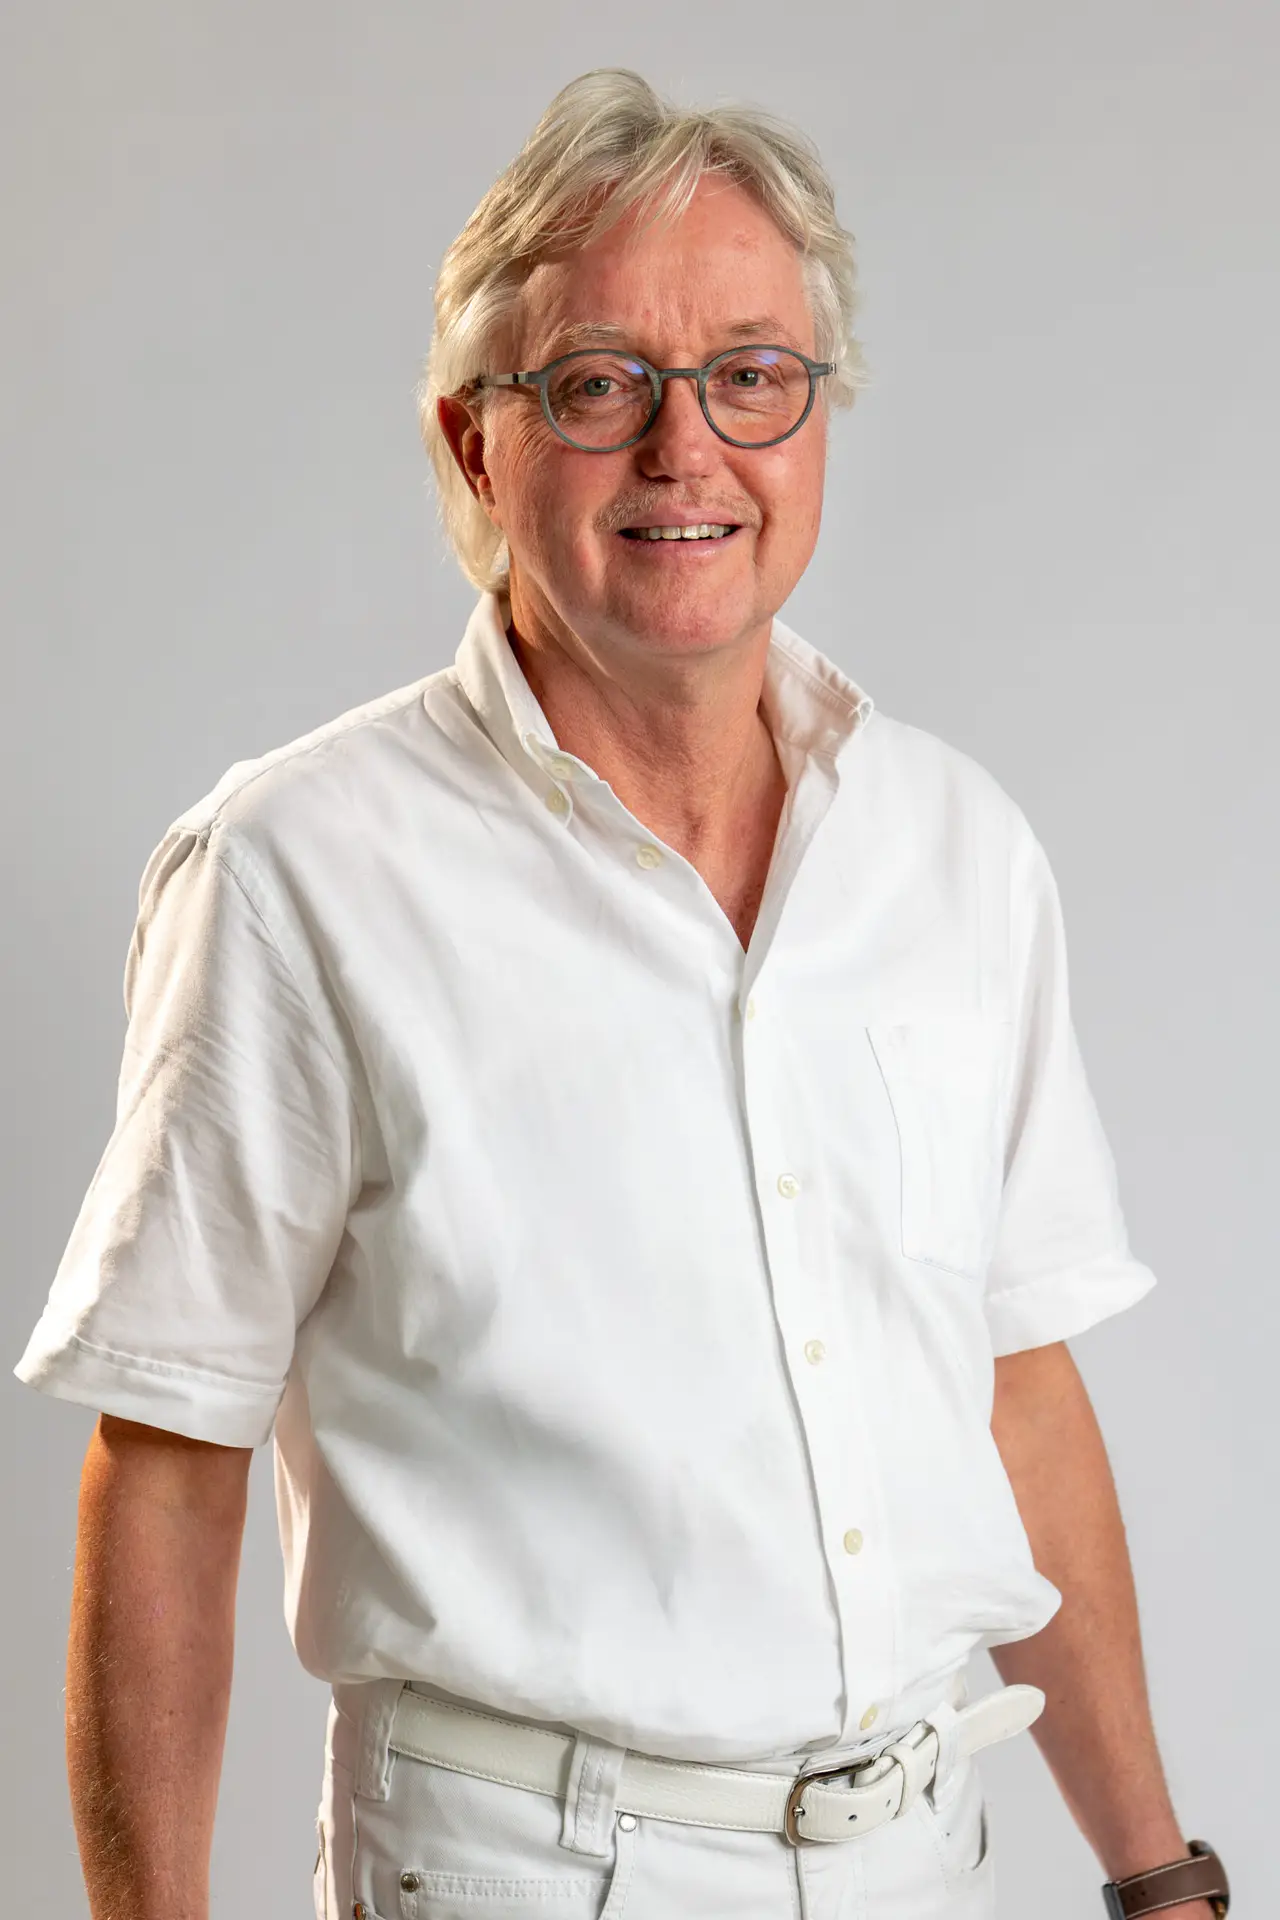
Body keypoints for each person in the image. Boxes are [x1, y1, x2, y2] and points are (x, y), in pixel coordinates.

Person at [13, 67, 1229, 1920]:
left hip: (924, 1861)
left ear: (816, 419)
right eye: (600, 384)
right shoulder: (294, 873)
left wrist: (1157, 1872)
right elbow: (166, 1465)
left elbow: (1013, 1389)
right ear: (475, 446)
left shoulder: (957, 851)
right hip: (523, 1873)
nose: (688, 450)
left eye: (753, 375)